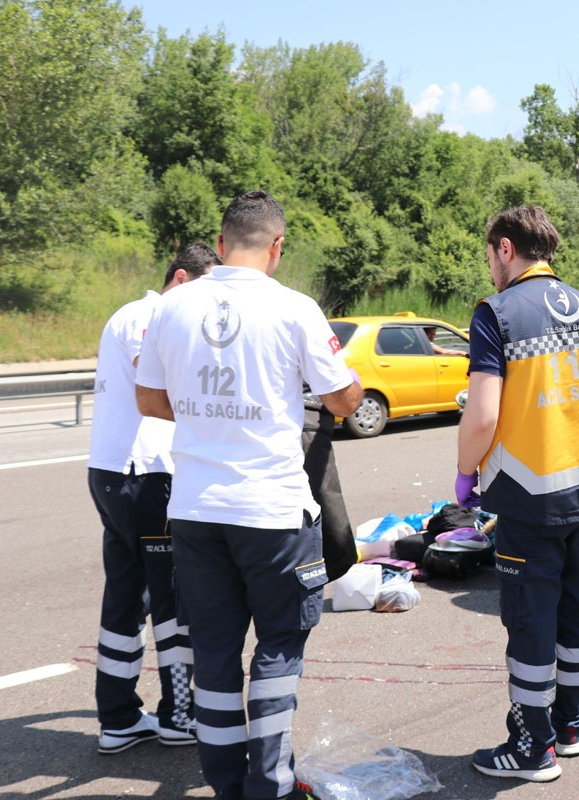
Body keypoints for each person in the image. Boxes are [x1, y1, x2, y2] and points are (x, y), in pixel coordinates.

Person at [136, 190, 363, 800]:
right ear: (277, 246)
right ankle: (271, 786)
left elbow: (149, 401)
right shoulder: (295, 308)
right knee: (280, 644)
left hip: (194, 510)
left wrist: (205, 411)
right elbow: (343, 400)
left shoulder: (172, 305)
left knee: (213, 650)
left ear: (219, 240)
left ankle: (226, 783)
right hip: (272, 512)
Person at [455, 205, 579, 782]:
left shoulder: (497, 314)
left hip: (530, 494)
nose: (490, 269)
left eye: (490, 257)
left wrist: (465, 473)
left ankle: (532, 748)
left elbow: (481, 417)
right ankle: (570, 723)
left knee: (531, 620)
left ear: (506, 249)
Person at [89, 242, 220, 755]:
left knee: (124, 598)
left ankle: (118, 717)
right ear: (181, 278)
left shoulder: (133, 313)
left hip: (111, 471)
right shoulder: (150, 314)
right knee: (172, 600)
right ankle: (178, 715)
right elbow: (155, 378)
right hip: (146, 474)